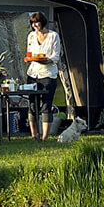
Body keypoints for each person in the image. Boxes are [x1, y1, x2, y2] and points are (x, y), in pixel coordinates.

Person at [24, 11, 61, 141]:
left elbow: (56, 56)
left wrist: (46, 60)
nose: (35, 25)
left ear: (43, 22)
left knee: (46, 104)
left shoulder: (53, 36)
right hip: (33, 73)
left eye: (37, 22)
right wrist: (31, 59)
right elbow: (29, 54)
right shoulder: (31, 36)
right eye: (33, 23)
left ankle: (45, 137)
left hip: (48, 74)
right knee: (32, 104)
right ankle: (34, 135)